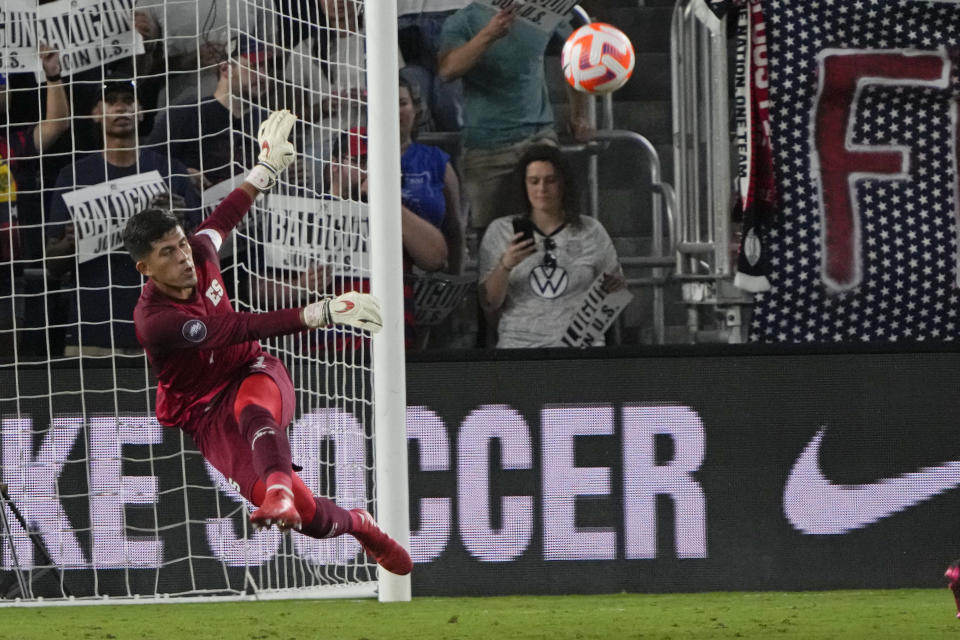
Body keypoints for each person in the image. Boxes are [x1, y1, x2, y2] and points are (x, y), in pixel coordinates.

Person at [122, 109, 412, 575]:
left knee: (254, 411)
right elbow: (235, 327)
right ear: (145, 269)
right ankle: (360, 523)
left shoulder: (198, 251)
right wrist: (320, 312)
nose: (183, 257)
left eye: (179, 243)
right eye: (167, 253)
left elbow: (226, 215)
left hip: (254, 372)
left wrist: (268, 168)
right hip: (205, 413)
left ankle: (278, 490)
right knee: (312, 520)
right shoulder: (155, 321)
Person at [46, 74, 201, 357]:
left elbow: (202, 257)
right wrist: (70, 242)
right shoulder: (74, 176)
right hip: (92, 328)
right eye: (111, 101)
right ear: (95, 114)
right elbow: (52, 265)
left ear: (140, 112)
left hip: (163, 330)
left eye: (128, 101)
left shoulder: (172, 172)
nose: (121, 108)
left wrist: (181, 223)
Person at [438, 2, 594, 236]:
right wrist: (488, 35)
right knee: (493, 238)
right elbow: (448, 69)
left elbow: (575, 54)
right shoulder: (463, 20)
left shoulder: (545, 14)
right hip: (486, 144)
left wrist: (579, 114)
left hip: (538, 135)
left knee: (552, 227)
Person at [477, 144, 624, 348]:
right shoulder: (501, 230)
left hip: (580, 348)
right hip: (520, 346)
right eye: (534, 181)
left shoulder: (591, 230)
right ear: (524, 185)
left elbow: (617, 292)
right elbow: (488, 303)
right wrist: (505, 265)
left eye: (550, 180)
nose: (542, 189)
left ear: (563, 183)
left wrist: (612, 289)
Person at [146, 34, 270, 190]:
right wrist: (181, 174)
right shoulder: (187, 114)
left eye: (266, 66)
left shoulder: (267, 122)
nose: (263, 75)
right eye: (253, 66)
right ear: (226, 69)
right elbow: (147, 164)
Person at [399, 75, 464, 274]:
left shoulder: (436, 161)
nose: (395, 110)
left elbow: (454, 227)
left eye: (402, 103)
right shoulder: (358, 157)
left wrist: (454, 278)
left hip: (429, 274)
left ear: (416, 109)